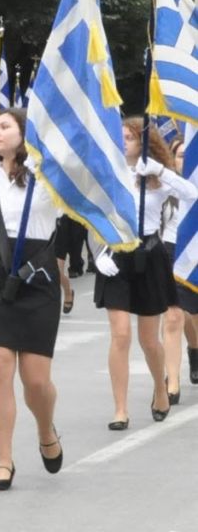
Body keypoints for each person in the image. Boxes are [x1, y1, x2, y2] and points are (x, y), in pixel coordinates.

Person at [0, 108, 64, 491]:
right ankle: (3, 459)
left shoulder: (48, 180)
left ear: (25, 134)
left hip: (39, 276)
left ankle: (45, 430)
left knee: (36, 381)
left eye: (6, 126)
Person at [93, 117, 194, 430]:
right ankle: (120, 409)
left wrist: (162, 172)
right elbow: (91, 214)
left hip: (149, 256)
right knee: (120, 333)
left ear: (144, 142)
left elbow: (191, 194)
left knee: (150, 340)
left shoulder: (155, 176)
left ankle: (161, 389)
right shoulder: (109, 172)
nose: (124, 140)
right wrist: (98, 254)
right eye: (120, 135)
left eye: (130, 136)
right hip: (115, 256)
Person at [162, 137, 197, 403]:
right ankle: (172, 381)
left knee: (194, 318)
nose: (183, 160)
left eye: (188, 154)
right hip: (172, 255)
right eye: (180, 155)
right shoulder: (163, 185)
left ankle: (195, 352)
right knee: (174, 317)